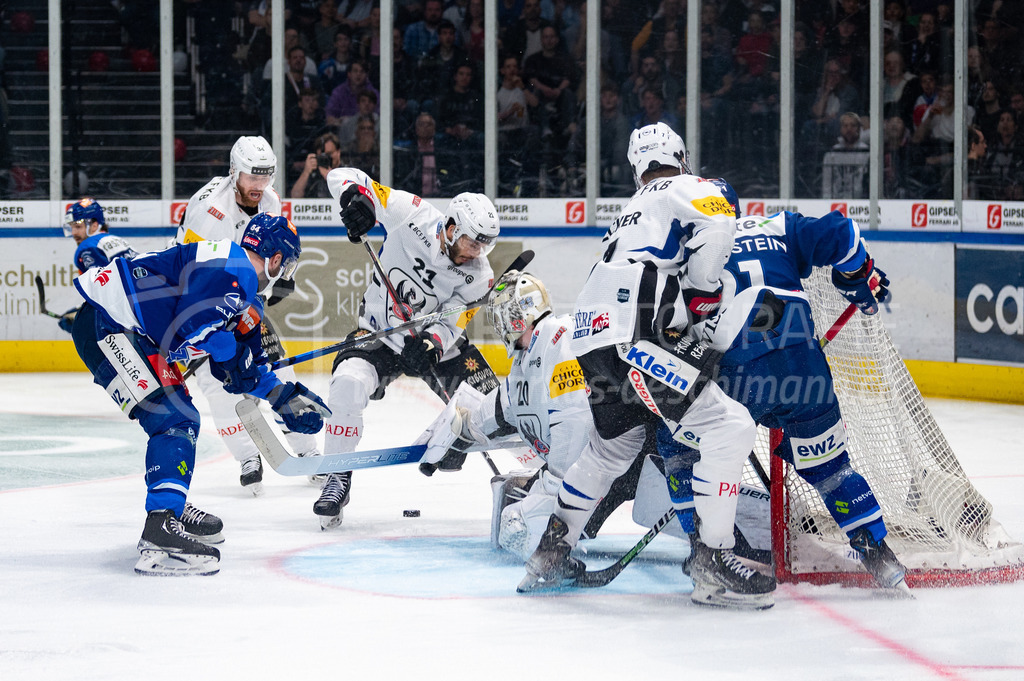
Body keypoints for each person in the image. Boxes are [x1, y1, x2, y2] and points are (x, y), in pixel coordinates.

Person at [520, 123, 774, 609]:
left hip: (592, 336)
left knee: (611, 451)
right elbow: (719, 229)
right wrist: (705, 291)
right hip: (634, 334)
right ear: (681, 155)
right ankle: (713, 561)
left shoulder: (632, 209)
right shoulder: (691, 186)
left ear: (638, 167)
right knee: (729, 425)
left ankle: (550, 554)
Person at [70, 213, 328, 575]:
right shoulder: (231, 268)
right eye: (287, 263)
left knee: (179, 416)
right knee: (175, 419)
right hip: (109, 323)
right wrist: (228, 350)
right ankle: (161, 528)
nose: (286, 272)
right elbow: (188, 330)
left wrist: (282, 397)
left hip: (128, 332)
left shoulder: (244, 292)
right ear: (274, 258)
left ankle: (170, 508)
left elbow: (238, 369)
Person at [666, 210, 906, 592]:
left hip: (739, 368)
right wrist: (858, 276)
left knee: (677, 448)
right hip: (805, 363)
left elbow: (672, 329)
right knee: (831, 469)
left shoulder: (687, 246)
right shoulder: (776, 224)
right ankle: (878, 553)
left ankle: (705, 552)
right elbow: (842, 231)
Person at [415, 272, 675, 559]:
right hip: (598, 466)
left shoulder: (560, 339)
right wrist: (456, 436)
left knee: (526, 530)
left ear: (518, 315)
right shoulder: (524, 361)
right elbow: (494, 412)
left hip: (629, 455)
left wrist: (549, 488)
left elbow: (575, 424)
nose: (500, 325)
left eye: (504, 316)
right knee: (517, 523)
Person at [310, 168, 502, 529]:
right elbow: (342, 176)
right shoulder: (410, 212)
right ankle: (337, 475)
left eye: (485, 245)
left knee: (494, 403)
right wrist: (358, 200)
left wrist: (432, 344)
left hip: (428, 343)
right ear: (452, 228)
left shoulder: (480, 276)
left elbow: (452, 323)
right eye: (473, 242)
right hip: (379, 334)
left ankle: (530, 483)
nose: (478, 252)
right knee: (348, 383)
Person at [176, 135, 321, 493]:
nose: (260, 186)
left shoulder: (270, 199)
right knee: (217, 385)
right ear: (234, 172)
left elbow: (267, 256)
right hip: (200, 304)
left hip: (243, 300)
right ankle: (247, 457)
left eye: (266, 177)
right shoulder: (210, 213)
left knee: (275, 367)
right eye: (252, 177)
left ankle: (309, 454)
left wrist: (262, 296)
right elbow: (189, 276)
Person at [56, 197, 138, 333]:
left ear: (94, 225)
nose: (74, 233)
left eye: (78, 226)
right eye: (71, 227)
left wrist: (83, 316)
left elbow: (102, 290)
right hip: (141, 308)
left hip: (126, 315)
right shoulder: (119, 240)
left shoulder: (88, 247)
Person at [290, 132, 341, 198]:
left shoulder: (346, 172)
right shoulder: (313, 173)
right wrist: (306, 172)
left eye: (329, 154)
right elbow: (295, 196)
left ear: (338, 152)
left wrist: (330, 177)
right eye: (322, 156)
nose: (326, 158)